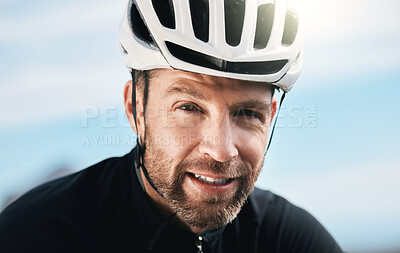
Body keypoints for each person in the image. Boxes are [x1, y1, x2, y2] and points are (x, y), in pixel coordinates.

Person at [0, 0, 343, 252]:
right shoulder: (32, 237)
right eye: (189, 107)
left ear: (269, 115)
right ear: (136, 109)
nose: (221, 150)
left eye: (247, 113)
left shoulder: (292, 242)